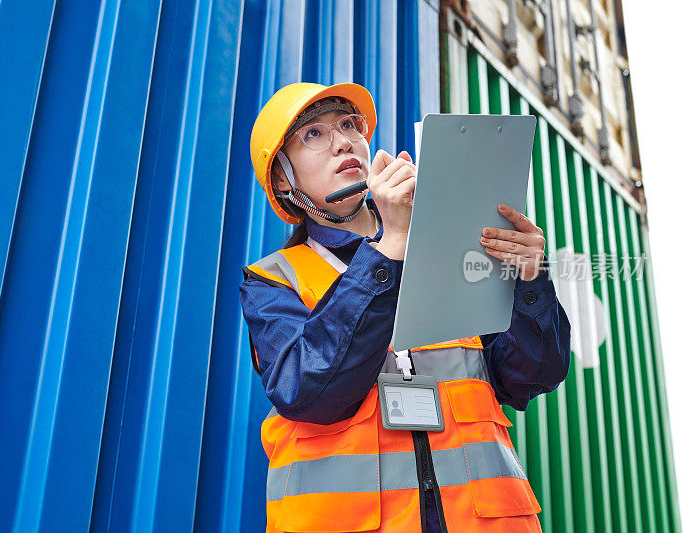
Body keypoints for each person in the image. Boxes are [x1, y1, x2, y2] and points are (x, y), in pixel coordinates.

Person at [239, 82, 571, 533]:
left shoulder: (445, 249)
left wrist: (530, 278)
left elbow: (531, 377)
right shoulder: (274, 281)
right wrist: (390, 246)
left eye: (349, 125)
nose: (342, 141)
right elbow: (310, 391)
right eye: (313, 134)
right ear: (283, 178)